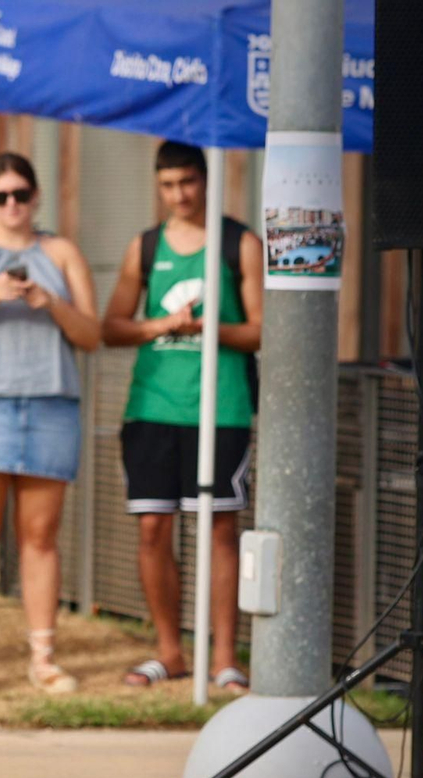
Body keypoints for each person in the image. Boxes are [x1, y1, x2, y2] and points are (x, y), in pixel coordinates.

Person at [0, 153, 100, 698]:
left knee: (40, 538)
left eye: (21, 195)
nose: (12, 205)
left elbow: (91, 335)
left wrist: (48, 299)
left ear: (36, 197)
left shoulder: (61, 252)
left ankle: (43, 657)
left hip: (51, 404)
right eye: (1, 196)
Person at [101, 140, 264, 693]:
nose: (180, 195)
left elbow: (260, 329)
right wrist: (161, 326)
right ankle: (169, 651)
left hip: (221, 407)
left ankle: (223, 659)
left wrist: (205, 329)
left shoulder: (240, 242)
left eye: (188, 182)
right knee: (153, 527)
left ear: (205, 180)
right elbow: (113, 326)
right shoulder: (144, 247)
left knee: (221, 527)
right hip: (152, 406)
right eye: (169, 185)